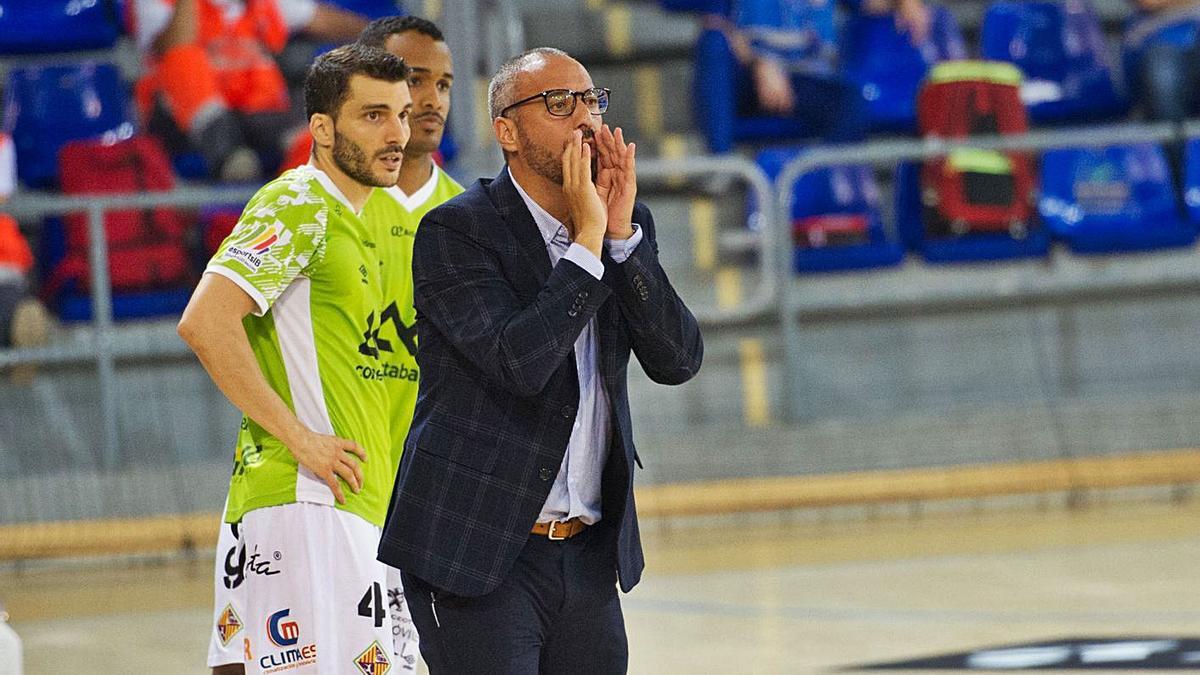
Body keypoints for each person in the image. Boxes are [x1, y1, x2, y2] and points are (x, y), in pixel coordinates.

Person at [377, 47, 705, 673]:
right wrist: (585, 245)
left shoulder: (620, 227)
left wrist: (621, 241)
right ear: (507, 131)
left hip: (586, 556)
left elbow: (677, 359)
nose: (585, 120)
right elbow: (521, 363)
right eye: (559, 104)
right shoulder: (456, 232)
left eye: (592, 101)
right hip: (477, 550)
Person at [179, 43, 412, 675]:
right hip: (311, 503)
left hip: (364, 509)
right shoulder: (299, 202)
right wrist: (302, 439)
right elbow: (205, 322)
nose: (397, 134)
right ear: (322, 129)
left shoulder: (387, 219)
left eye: (402, 113)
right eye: (374, 116)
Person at [130, 0, 370, 181]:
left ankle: (294, 208)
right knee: (183, 57)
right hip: (187, 126)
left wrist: (387, 37)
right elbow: (174, 44)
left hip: (258, 114)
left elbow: (325, 21)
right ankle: (230, 156)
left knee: (318, 134)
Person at [707, 0, 930, 143]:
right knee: (713, 45)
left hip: (806, 81)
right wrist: (759, 63)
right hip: (748, 76)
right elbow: (715, 23)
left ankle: (826, 188)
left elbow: (873, 3)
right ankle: (719, 163)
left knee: (850, 100)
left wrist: (906, 2)